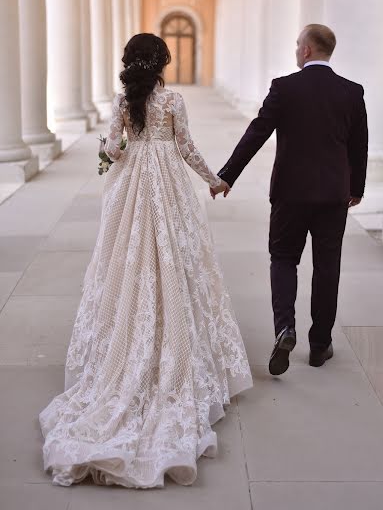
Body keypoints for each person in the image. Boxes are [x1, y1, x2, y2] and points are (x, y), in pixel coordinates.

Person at [39, 33, 252, 488]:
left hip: (132, 187)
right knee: (174, 259)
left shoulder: (122, 102)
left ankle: (128, 338)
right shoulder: (173, 99)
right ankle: (171, 337)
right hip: (168, 187)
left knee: (126, 258)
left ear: (128, 63)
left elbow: (111, 150)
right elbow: (186, 148)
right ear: (162, 63)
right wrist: (215, 180)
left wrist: (109, 148)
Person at [211, 24, 368, 376]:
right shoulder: (352, 92)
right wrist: (355, 188)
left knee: (283, 259)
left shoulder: (285, 87)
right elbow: (359, 147)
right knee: (328, 266)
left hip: (290, 193)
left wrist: (227, 175)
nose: (297, 50)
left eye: (299, 45)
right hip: (333, 195)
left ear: (308, 50)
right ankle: (319, 345)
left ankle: (285, 328)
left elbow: (257, 132)